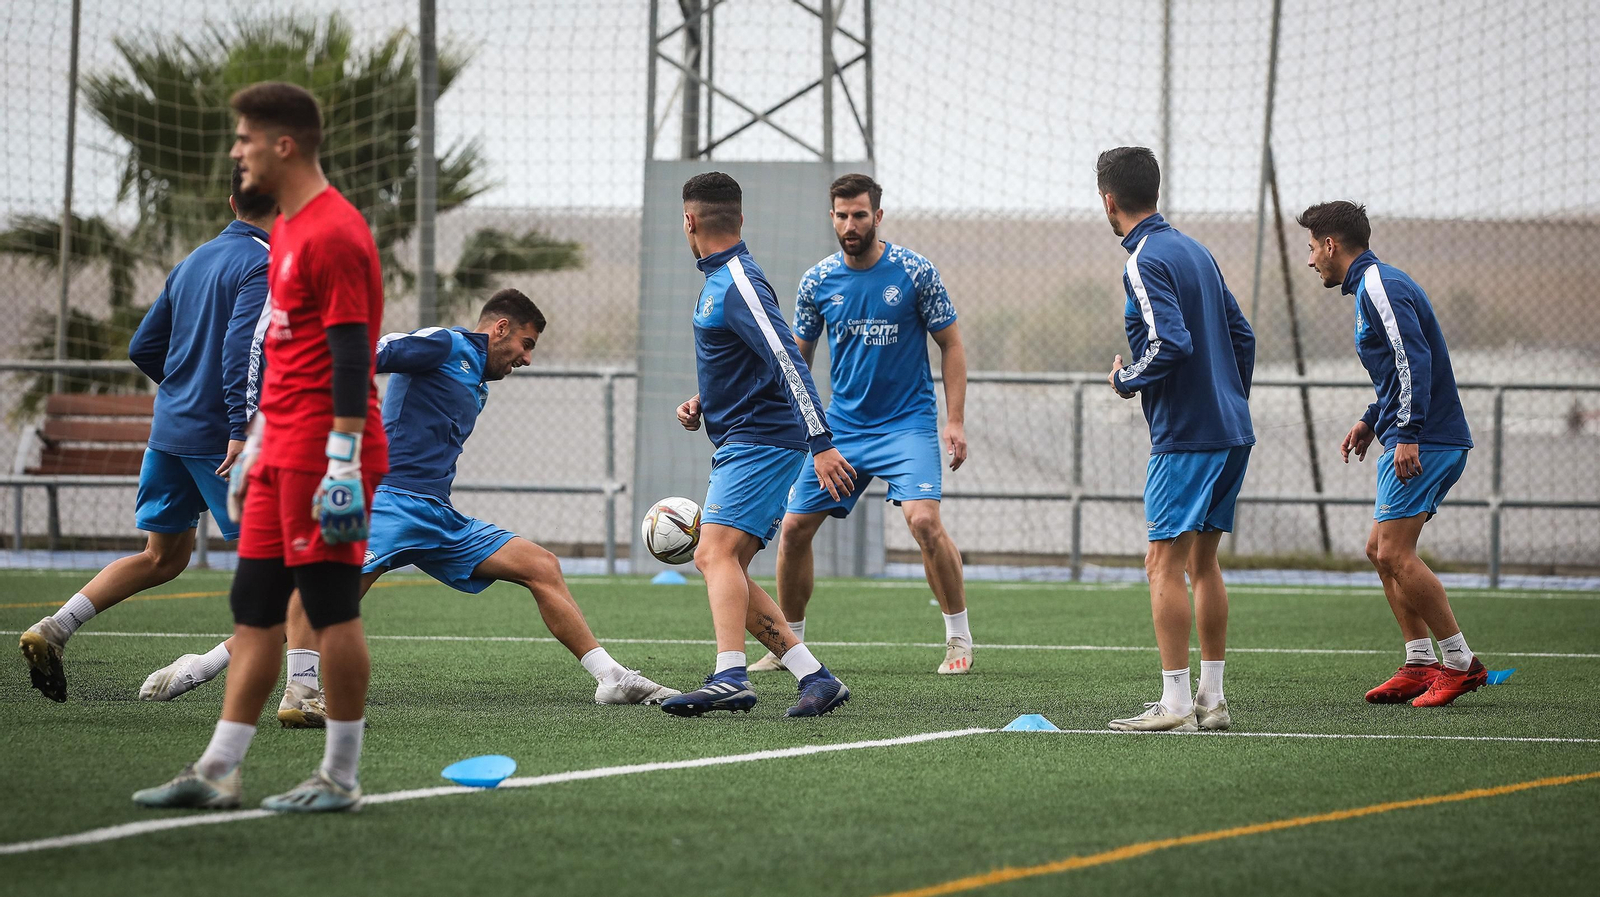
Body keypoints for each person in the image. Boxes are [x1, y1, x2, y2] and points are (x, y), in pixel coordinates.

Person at [141, 290, 679, 712]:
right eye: (527, 343)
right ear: (500, 328)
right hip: (386, 505)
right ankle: (208, 668)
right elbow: (365, 355)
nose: (529, 358)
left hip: (436, 515)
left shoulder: (475, 373)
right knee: (321, 601)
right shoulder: (443, 344)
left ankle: (610, 678)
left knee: (541, 565)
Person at [133, 81, 386, 813]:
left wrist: (341, 460)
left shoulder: (336, 230)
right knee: (254, 605)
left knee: (333, 606)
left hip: (324, 451)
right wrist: (253, 446)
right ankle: (218, 768)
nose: (235, 151)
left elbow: (349, 357)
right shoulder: (287, 232)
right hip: (280, 448)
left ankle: (339, 773)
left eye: (245, 139)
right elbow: (279, 354)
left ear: (283, 145)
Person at [18, 166, 274, 703]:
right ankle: (208, 671)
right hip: (222, 440)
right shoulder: (266, 263)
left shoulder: (193, 261)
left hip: (170, 431)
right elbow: (241, 350)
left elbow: (142, 346)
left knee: (162, 557)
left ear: (232, 203)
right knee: (292, 574)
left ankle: (56, 627)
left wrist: (184, 392)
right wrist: (240, 427)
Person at [750, 173, 973, 676]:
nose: (850, 224)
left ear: (878, 216)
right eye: (841, 215)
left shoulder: (915, 272)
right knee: (793, 530)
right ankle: (787, 645)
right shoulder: (817, 281)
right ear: (832, 217)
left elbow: (952, 345)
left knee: (923, 521)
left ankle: (958, 637)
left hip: (907, 426)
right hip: (842, 429)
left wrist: (953, 420)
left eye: (860, 215)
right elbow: (795, 360)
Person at [664, 171, 854, 718]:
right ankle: (815, 679)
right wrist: (707, 398)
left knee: (712, 553)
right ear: (740, 219)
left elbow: (788, 356)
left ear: (689, 221)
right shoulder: (722, 279)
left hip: (762, 440)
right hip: (748, 434)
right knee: (730, 568)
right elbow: (752, 360)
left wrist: (821, 442)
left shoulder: (738, 280)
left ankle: (729, 675)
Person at [1298, 200, 1486, 707]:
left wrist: (1407, 433)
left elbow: (1412, 359)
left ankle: (1461, 663)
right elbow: (1394, 372)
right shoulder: (1371, 287)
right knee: (1378, 550)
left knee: (1395, 554)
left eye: (1313, 248)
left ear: (1332, 245)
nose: (1311, 259)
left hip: (1429, 439)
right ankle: (1421, 661)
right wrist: (1371, 419)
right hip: (1418, 433)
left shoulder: (1380, 284)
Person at [1096, 147, 1255, 733]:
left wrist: (1124, 380)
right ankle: (1213, 701)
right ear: (1155, 192)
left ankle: (1177, 704)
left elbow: (1172, 344)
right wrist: (1230, 398)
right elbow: (1244, 335)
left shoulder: (1142, 258)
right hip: (1231, 429)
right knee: (1204, 564)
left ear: (1108, 200)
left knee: (1162, 562)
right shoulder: (1197, 251)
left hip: (1187, 436)